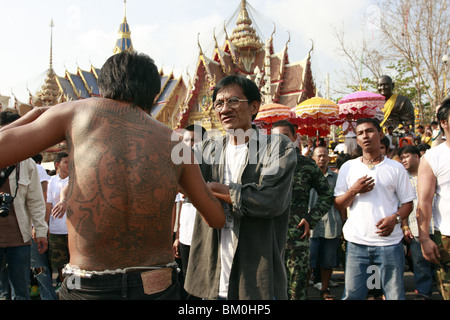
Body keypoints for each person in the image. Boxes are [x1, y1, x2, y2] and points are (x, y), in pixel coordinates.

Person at [0, 51, 225, 300]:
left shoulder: (75, 113)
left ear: (103, 84)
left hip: (86, 286)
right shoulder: (177, 144)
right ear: (154, 94)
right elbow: (216, 218)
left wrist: (32, 116)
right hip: (157, 285)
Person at [184, 76, 297, 300]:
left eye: (233, 101)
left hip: (256, 279)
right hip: (212, 279)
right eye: (219, 103)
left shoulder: (276, 147)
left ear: (254, 106)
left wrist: (216, 189)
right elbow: (181, 179)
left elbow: (270, 200)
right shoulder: (207, 149)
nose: (224, 109)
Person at [334, 117, 415, 300]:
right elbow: (338, 203)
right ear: (357, 139)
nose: (365, 136)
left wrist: (394, 219)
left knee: (394, 295)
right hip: (357, 244)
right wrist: (354, 190)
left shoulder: (396, 168)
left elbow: (408, 204)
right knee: (353, 295)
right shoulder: (348, 167)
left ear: (380, 134)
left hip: (389, 244)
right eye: (360, 133)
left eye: (369, 131)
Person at [271, 120, 333, 300]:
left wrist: (311, 218)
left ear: (294, 138)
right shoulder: (262, 166)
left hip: (296, 239)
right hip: (268, 238)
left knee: (296, 292)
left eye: (285, 137)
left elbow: (327, 194)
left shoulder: (306, 165)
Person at [0, 111, 48, 300]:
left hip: (19, 239)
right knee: (2, 293)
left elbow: (36, 200)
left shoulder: (27, 164)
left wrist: (41, 231)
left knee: (21, 292)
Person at [417, 98, 450, 300]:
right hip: (446, 237)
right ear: (444, 123)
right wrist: (424, 238)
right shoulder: (432, 157)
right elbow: (424, 201)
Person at [172, 124, 206, 300]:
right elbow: (178, 206)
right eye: (186, 140)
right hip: (185, 235)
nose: (190, 144)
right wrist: (177, 236)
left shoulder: (210, 168)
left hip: (204, 235)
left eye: (194, 140)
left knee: (201, 284)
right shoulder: (178, 168)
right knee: (186, 280)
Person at [399, 145, 435, 300]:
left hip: (436, 224)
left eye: (406, 156)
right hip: (414, 226)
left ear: (417, 156)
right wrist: (405, 225)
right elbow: (402, 203)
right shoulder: (403, 178)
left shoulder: (430, 174)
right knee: (420, 262)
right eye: (401, 158)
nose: (404, 160)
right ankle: (424, 292)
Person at [309, 146, 343, 300]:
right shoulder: (307, 176)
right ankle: (302, 290)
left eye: (324, 156)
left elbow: (341, 203)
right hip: (310, 226)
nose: (321, 158)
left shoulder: (336, 178)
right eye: (319, 156)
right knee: (309, 259)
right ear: (313, 158)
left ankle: (324, 288)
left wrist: (344, 223)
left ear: (329, 158)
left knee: (328, 261)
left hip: (332, 223)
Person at [30, 153, 57, 300]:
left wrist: (40, 225)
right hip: (8, 230)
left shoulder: (35, 168)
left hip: (30, 227)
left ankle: (48, 297)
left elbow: (44, 198)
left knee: (39, 267)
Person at [46, 152, 70, 291]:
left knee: (73, 264)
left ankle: (75, 289)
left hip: (73, 231)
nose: (69, 165)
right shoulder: (51, 182)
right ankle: (65, 290)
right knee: (59, 264)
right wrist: (44, 226)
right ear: (57, 165)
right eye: (66, 162)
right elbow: (48, 206)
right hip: (56, 230)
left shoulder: (75, 179)